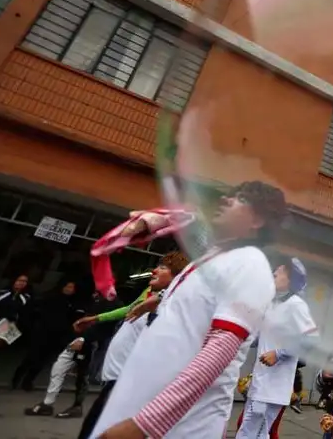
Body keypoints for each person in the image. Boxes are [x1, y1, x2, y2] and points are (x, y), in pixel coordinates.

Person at [89, 180, 287, 439]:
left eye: (240, 199)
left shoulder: (251, 263)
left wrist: (144, 425)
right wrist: (160, 300)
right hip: (139, 410)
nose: (225, 200)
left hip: (179, 428)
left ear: (257, 220)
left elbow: (219, 351)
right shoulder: (209, 260)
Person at [75, 251, 190, 439]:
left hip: (128, 381)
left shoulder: (169, 305)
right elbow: (129, 310)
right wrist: (96, 318)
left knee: (95, 429)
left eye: (162, 268)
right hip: (115, 379)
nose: (154, 271)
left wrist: (162, 296)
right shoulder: (148, 294)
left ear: (176, 278)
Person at [238, 257, 318, 439]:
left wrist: (279, 353)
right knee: (250, 433)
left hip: (273, 387)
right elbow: (259, 337)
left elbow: (311, 339)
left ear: (290, 280)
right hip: (260, 383)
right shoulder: (273, 304)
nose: (274, 273)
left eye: (281, 271)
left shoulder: (296, 305)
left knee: (253, 434)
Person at [23, 288, 122, 419]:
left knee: (82, 375)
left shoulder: (114, 304)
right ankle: (47, 403)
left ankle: (77, 406)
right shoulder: (96, 299)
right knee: (59, 367)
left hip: (90, 342)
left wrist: (84, 338)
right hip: (77, 339)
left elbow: (103, 327)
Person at [12, 278, 85, 391]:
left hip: (57, 335)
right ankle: (16, 379)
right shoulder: (49, 297)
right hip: (42, 332)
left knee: (42, 361)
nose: (70, 290)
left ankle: (28, 381)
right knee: (30, 357)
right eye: (68, 287)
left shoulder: (73, 303)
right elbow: (33, 311)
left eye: (72, 288)